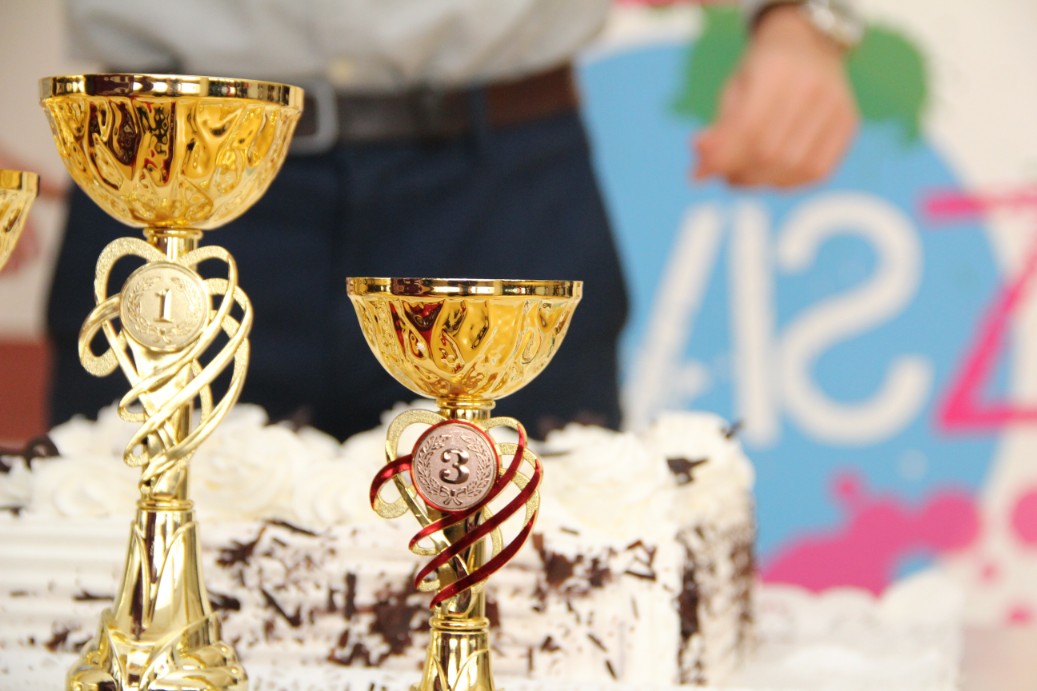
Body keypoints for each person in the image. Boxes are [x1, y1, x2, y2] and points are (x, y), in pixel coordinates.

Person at [47, 0, 859, 440]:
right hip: (164, 167)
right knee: (121, 596)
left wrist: (802, 19)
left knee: (540, 611)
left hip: (500, 183)